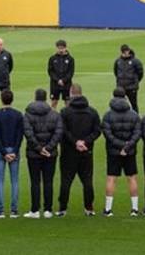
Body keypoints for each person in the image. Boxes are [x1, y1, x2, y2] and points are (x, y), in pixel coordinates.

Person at [58, 82, 101, 217]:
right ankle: (89, 207)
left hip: (69, 151)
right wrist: (85, 142)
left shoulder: (65, 112)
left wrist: (75, 142)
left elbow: (63, 131)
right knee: (87, 180)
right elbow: (97, 131)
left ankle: (62, 208)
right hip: (86, 151)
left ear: (71, 94)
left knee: (66, 180)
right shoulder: (92, 112)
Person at [23, 87, 63, 218]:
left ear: (35, 97)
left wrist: (39, 149)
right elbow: (58, 133)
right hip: (50, 153)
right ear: (46, 98)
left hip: (33, 153)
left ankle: (35, 210)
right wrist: (49, 148)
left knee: (35, 181)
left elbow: (28, 133)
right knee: (48, 181)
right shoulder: (54, 114)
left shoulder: (28, 114)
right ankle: (48, 209)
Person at [102, 86, 141, 217]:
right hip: (129, 151)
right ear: (125, 97)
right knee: (132, 178)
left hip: (113, 151)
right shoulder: (134, 114)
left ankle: (108, 209)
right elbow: (137, 133)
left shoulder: (108, 115)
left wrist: (120, 145)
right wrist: (127, 146)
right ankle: (134, 209)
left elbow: (108, 134)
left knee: (111, 178)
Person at [0, 88, 24, 218]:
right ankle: (14, 210)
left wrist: (4, 152)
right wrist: (15, 151)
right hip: (13, 149)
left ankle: (0, 210)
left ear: (1, 99)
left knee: (0, 180)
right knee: (14, 180)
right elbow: (20, 135)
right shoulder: (18, 114)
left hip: (1, 150)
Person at [112, 45, 145, 113]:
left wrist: (136, 82)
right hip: (121, 88)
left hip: (131, 87)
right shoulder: (118, 61)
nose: (125, 54)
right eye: (123, 52)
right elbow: (116, 72)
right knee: (119, 104)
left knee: (134, 105)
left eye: (126, 52)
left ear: (128, 51)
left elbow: (140, 73)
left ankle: (136, 119)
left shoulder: (135, 61)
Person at [48, 40, 75, 107]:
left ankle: (67, 116)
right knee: (54, 102)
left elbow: (71, 72)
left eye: (62, 48)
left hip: (66, 84)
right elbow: (50, 71)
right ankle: (53, 117)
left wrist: (63, 80)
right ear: (56, 48)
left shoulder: (70, 59)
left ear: (65, 48)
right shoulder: (52, 58)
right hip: (55, 84)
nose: (60, 50)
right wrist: (58, 80)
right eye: (59, 48)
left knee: (67, 102)